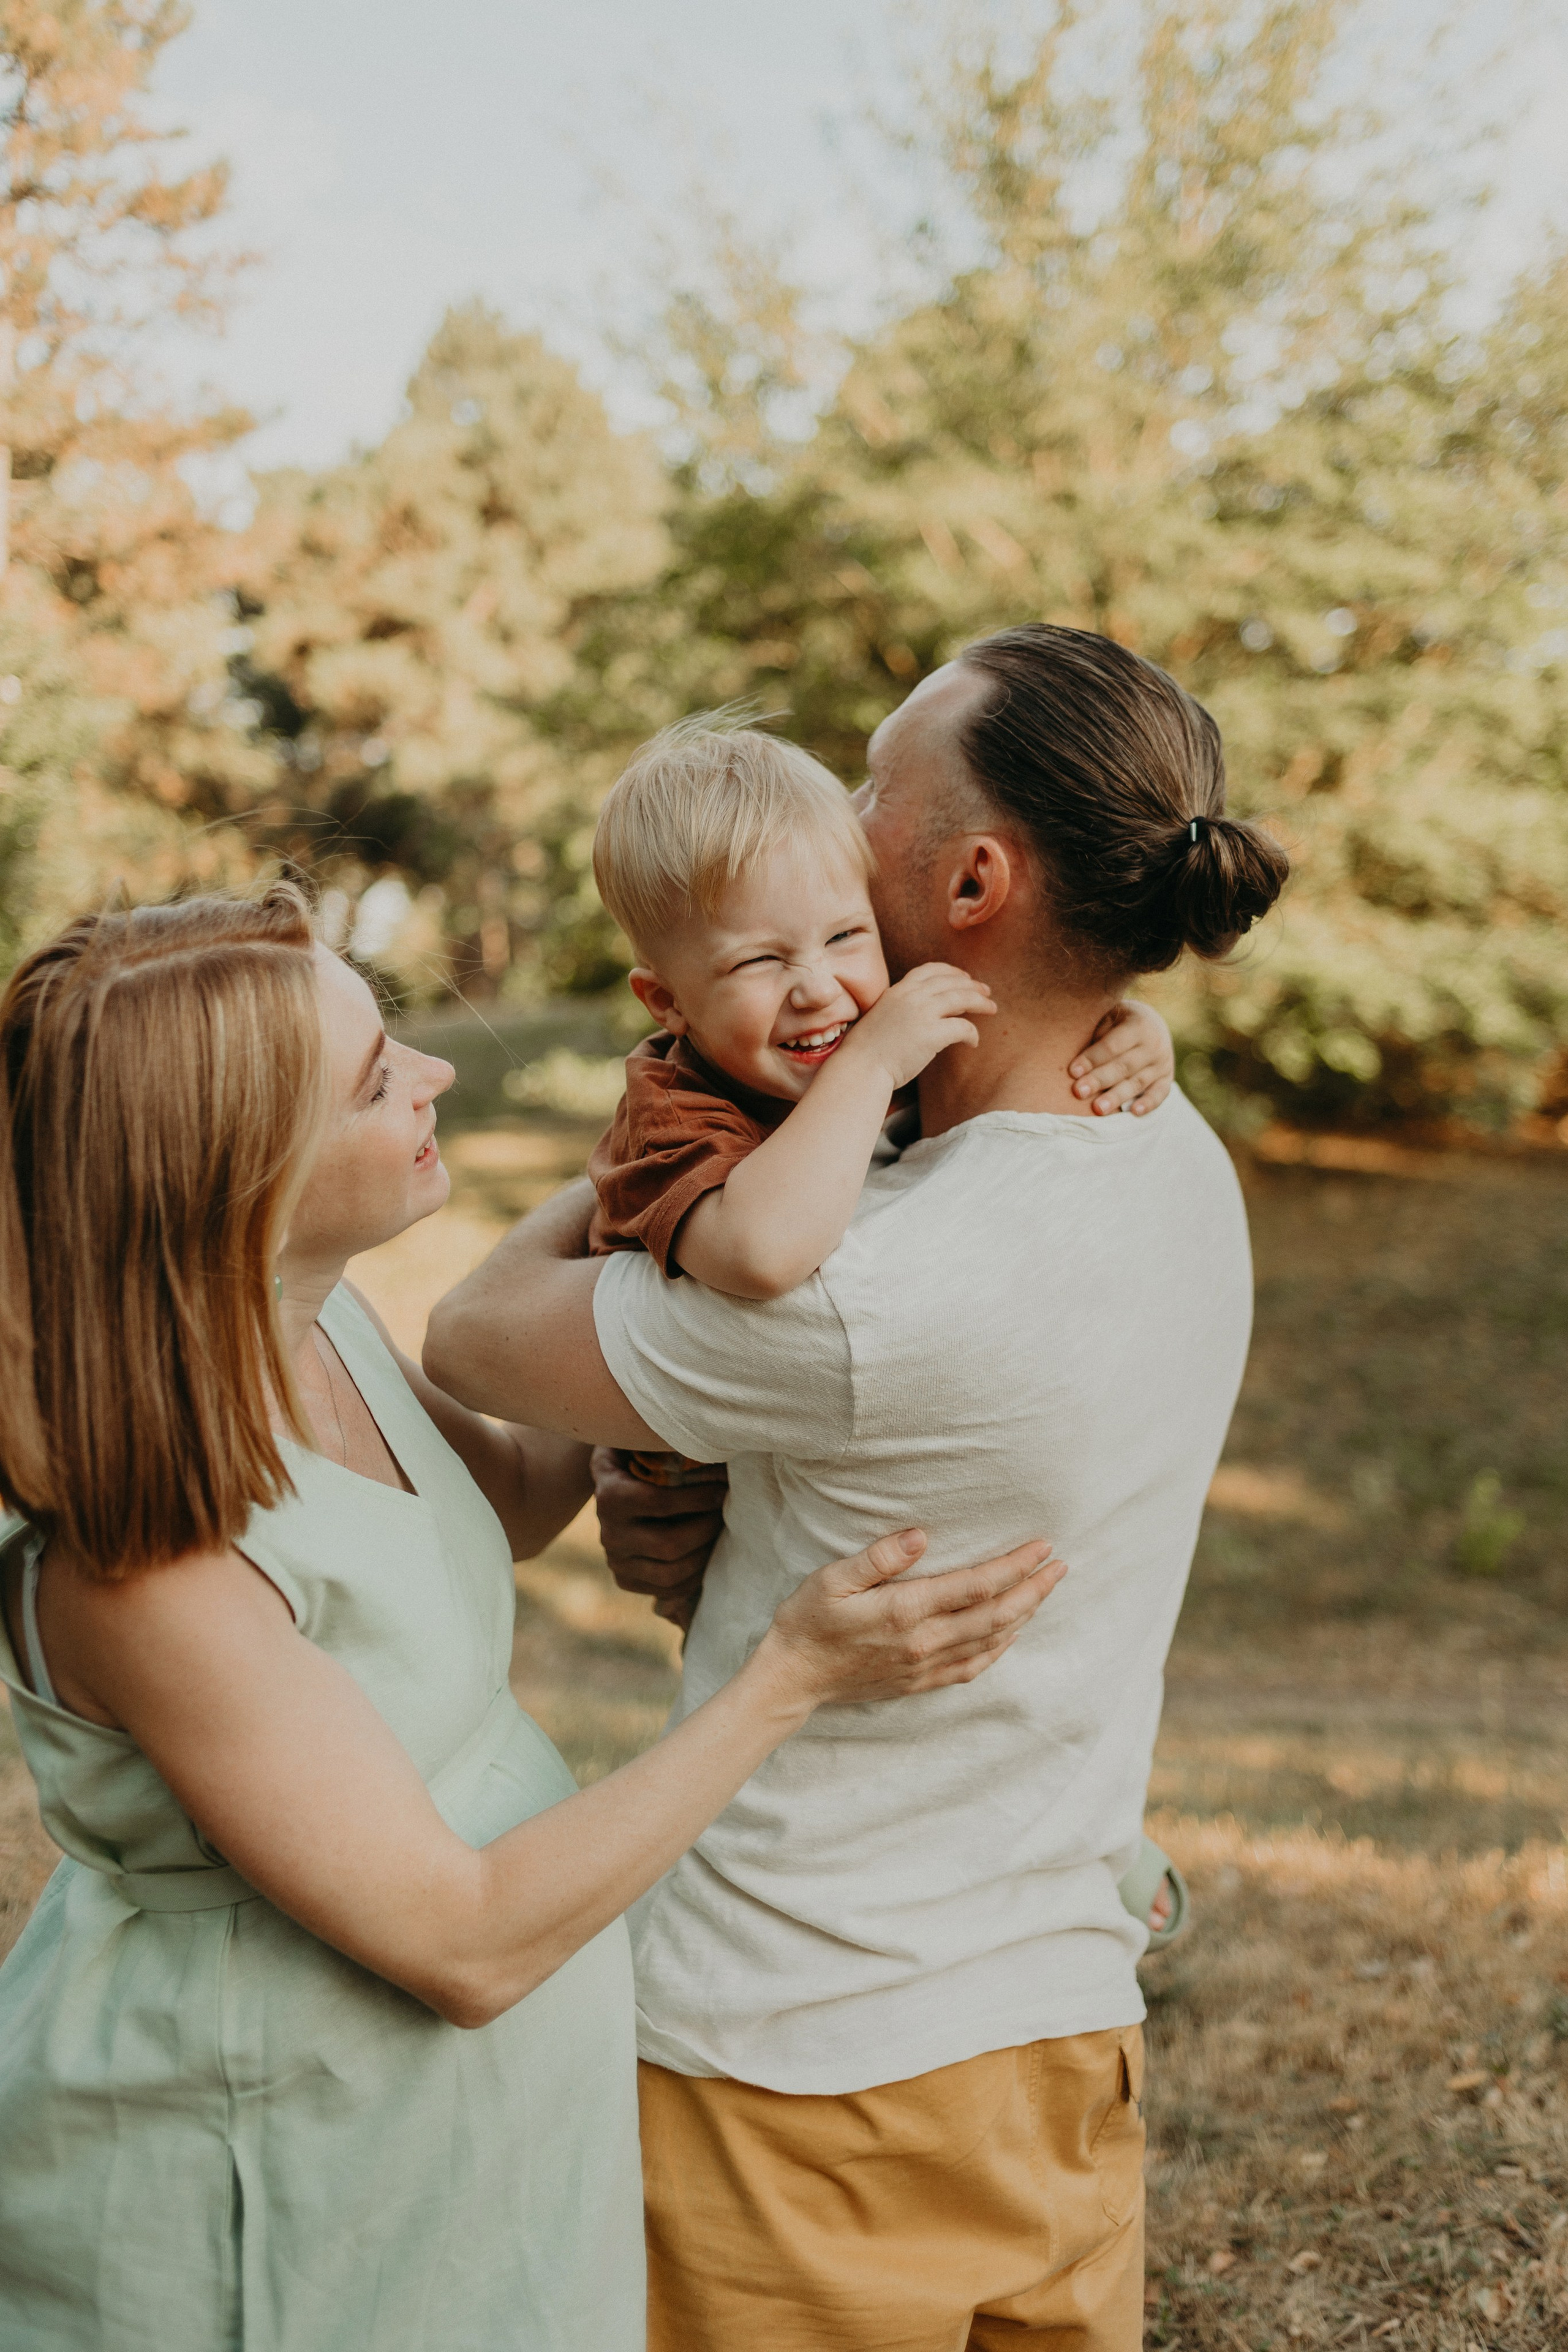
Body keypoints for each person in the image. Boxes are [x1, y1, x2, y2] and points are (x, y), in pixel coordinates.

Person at [0, 886, 1065, 2351]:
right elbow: (462, 1944)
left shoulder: (311, 1320)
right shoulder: (147, 1564)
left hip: (448, 2127)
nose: (434, 1074)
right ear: (240, 1178)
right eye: (380, 1079)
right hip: (263, 2146)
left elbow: (485, 1505)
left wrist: (675, 1174)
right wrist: (792, 1674)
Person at [425, 623, 1288, 2352]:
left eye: (872, 795)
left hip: (800, 2071)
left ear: (970, 878)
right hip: (1058, 2042)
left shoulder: (848, 1293)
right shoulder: (1171, 1158)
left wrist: (637, 1140)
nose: (836, 824)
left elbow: (471, 1337)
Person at [583, 714, 1188, 1945]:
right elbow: (758, 1252)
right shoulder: (679, 1106)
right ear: (665, 999)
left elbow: (1026, 1035)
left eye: (845, 935)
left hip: (791, 1433)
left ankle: (1084, 1835)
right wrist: (871, 1063)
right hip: (689, 1471)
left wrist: (1134, 1034)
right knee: (800, 1652)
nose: (816, 987)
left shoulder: (847, 1038)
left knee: (965, 1601)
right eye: (758, 962)